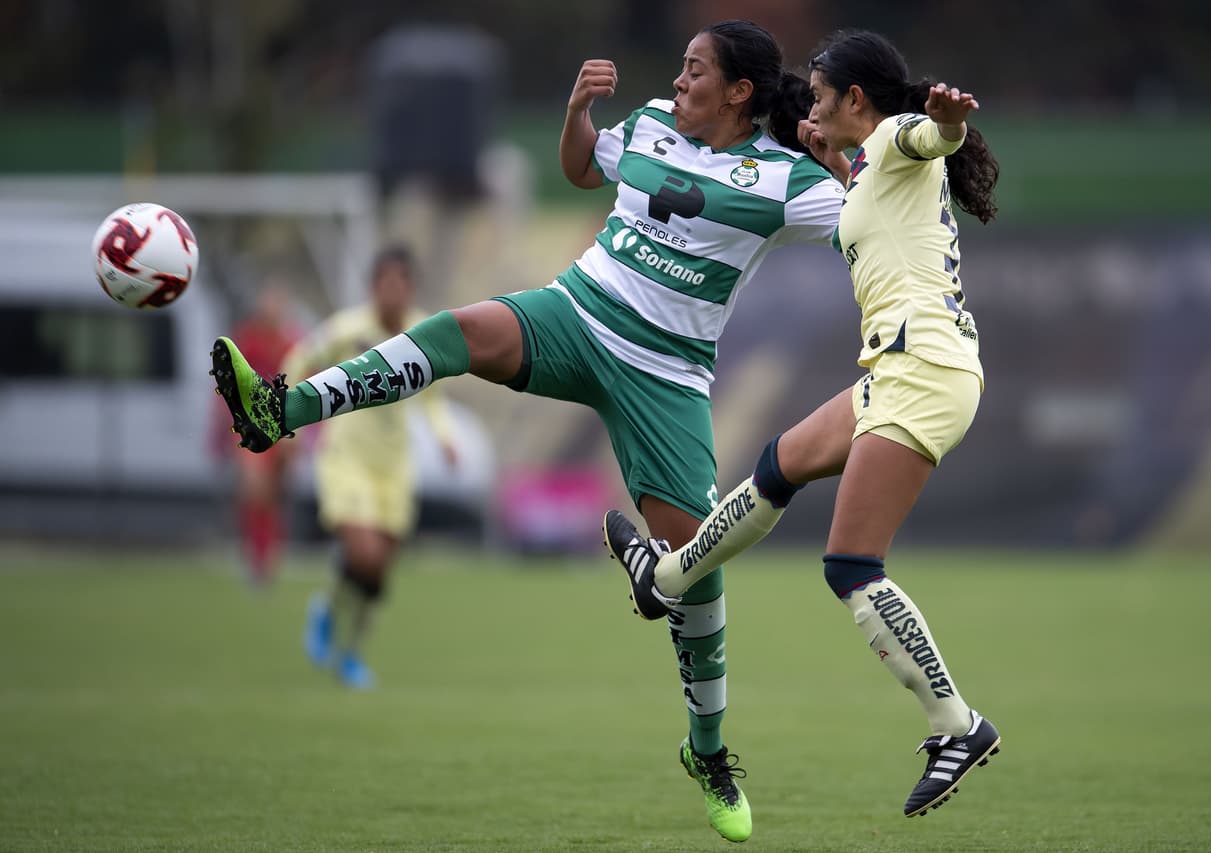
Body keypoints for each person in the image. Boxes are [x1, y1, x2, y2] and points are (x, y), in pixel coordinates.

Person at [209, 20, 845, 843]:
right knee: (453, 331)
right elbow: (580, 169)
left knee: (699, 571)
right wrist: (578, 110)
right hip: (576, 313)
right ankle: (278, 412)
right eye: (681, 66)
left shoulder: (786, 181)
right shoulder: (650, 121)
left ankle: (709, 751)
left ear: (739, 92)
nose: (679, 80)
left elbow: (865, 218)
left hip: (666, 373)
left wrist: (861, 152)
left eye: (696, 71)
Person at [603, 28, 1002, 820]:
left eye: (819, 96)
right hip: (902, 368)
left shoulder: (895, 136)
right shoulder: (867, 169)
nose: (808, 109)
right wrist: (831, 160)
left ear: (857, 100)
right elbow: (875, 196)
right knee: (779, 464)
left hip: (921, 374)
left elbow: (927, 134)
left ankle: (956, 723)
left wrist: (946, 122)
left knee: (852, 564)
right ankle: (667, 579)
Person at [282, 246, 458, 690]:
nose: (393, 292)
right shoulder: (349, 330)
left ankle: (351, 653)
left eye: (402, 283)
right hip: (348, 458)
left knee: (379, 572)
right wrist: (289, 419)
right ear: (373, 287)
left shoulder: (422, 333)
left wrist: (444, 437)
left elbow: (433, 396)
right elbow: (301, 359)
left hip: (394, 465)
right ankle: (326, 611)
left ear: (411, 288)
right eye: (386, 283)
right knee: (364, 554)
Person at [210, 282, 300, 585]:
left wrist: (300, 435)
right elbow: (227, 385)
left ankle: (268, 557)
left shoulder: (291, 344)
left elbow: (303, 388)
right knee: (253, 491)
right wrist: (222, 428)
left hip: (281, 433)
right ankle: (255, 557)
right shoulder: (247, 340)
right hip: (248, 427)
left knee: (272, 498)